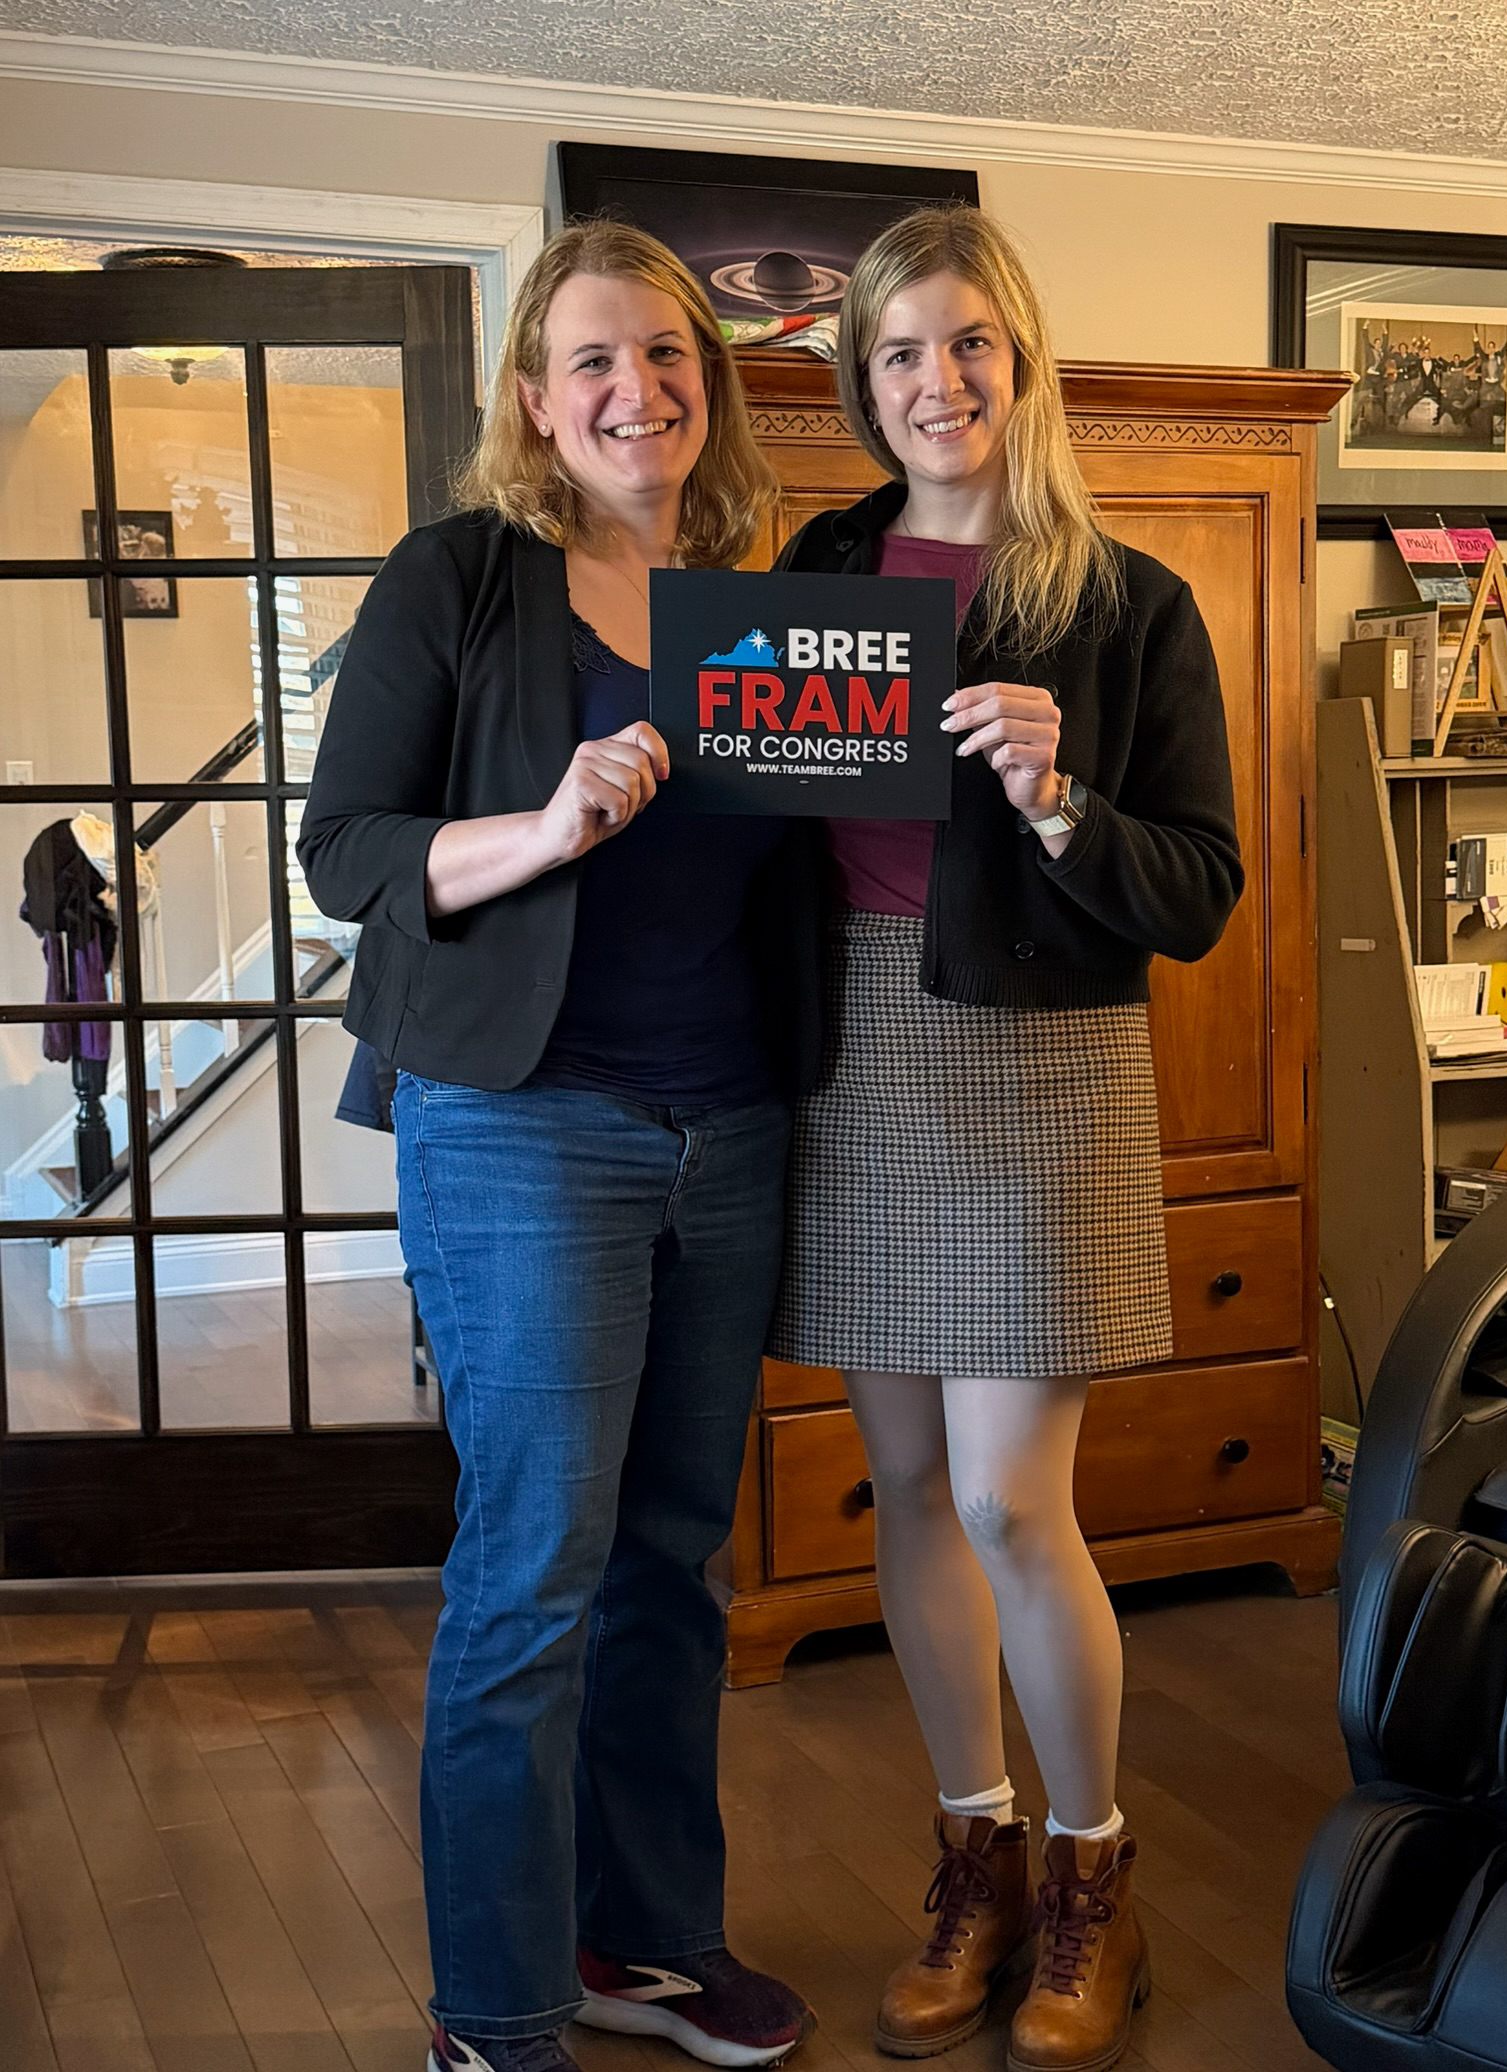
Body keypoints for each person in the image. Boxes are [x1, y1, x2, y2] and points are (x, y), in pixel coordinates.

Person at [298, 218, 819, 2072]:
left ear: (712, 382)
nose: (635, 389)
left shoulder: (766, 607)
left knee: (677, 1561)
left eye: (668, 355)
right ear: (534, 396)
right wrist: (543, 822)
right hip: (524, 1127)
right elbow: (346, 847)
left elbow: (827, 874)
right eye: (594, 360)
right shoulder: (459, 579)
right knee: (535, 1567)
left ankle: (648, 1945)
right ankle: (499, 2014)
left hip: (731, 1129)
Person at [769, 207, 1243, 2072]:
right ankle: (968, 1858)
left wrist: (1061, 801)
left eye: (968, 342)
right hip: (848, 1055)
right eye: (898, 352)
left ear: (1020, 361)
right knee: (902, 1491)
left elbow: (1195, 891)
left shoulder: (1124, 602)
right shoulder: (817, 564)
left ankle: (1087, 1883)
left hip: (1036, 1064)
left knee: (1002, 1500)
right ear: (863, 382)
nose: (935, 380)